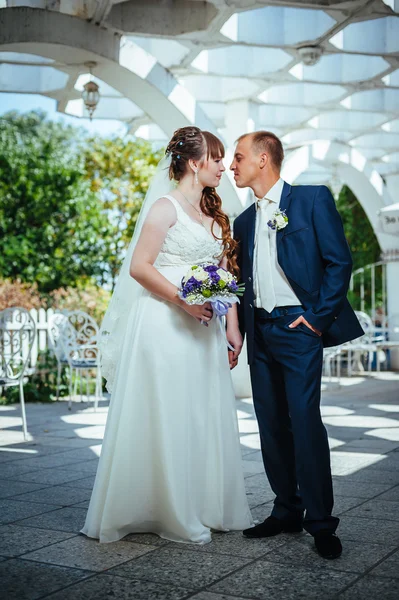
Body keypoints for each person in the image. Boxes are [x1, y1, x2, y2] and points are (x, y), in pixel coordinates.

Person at [81, 126, 252, 545]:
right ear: (195, 162)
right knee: (168, 408)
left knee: (199, 411)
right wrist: (182, 301)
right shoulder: (164, 207)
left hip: (204, 329)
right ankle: (163, 508)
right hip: (164, 322)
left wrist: (231, 325)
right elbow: (140, 267)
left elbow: (225, 274)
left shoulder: (213, 215)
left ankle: (202, 503)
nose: (221, 166)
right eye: (216, 158)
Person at [231, 131, 364, 559]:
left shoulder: (311, 200)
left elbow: (339, 261)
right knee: (270, 425)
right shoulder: (243, 221)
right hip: (261, 332)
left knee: (304, 422)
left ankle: (321, 523)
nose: (232, 166)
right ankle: (286, 509)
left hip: (299, 328)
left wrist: (316, 320)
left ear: (263, 159)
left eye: (238, 158)